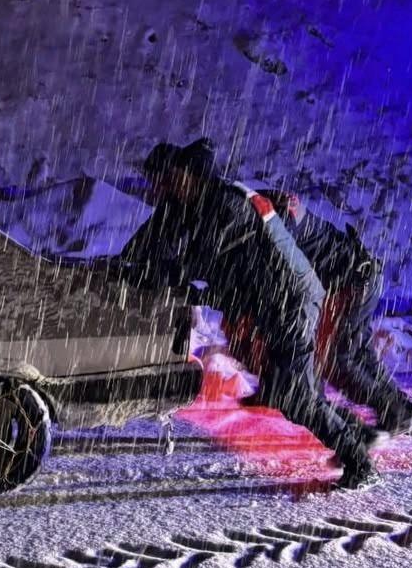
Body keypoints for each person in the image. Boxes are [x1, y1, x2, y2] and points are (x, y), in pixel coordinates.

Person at [123, 138, 381, 488]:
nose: (160, 190)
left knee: (296, 396)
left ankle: (360, 463)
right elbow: (149, 242)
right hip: (269, 304)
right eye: (156, 183)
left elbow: (198, 265)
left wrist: (165, 276)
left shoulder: (225, 205)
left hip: (290, 299)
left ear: (187, 173)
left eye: (166, 180)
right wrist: (122, 266)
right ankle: (356, 433)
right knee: (283, 392)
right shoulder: (187, 204)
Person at [256, 189, 412, 435]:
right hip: (361, 276)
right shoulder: (281, 211)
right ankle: (401, 412)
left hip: (351, 283)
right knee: (355, 353)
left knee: (339, 359)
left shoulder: (275, 221)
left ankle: (396, 412)